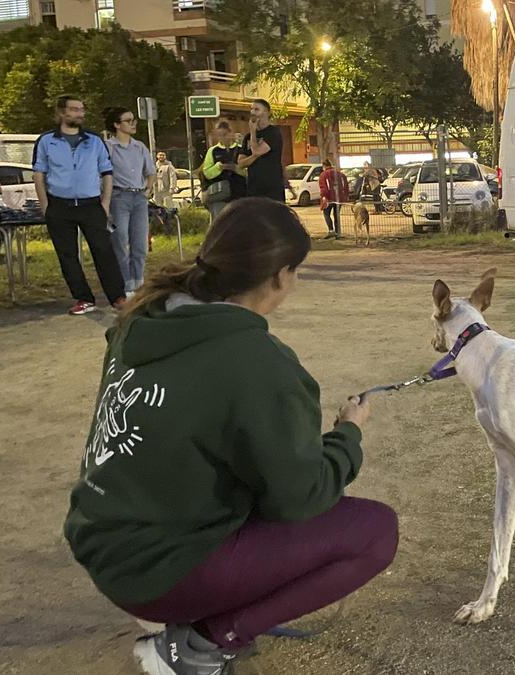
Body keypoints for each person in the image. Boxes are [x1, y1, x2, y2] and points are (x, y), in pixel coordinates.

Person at [63, 197, 398, 675]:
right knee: (374, 533)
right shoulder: (258, 362)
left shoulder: (142, 317)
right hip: (158, 566)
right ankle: (202, 644)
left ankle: (192, 606)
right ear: (282, 275)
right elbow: (300, 497)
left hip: (103, 540)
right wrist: (347, 434)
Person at [32, 95, 126, 316]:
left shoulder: (94, 140)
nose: (80, 114)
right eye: (74, 110)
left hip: (91, 204)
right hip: (59, 205)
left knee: (104, 250)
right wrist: (45, 205)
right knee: (67, 255)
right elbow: (39, 173)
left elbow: (107, 173)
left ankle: (117, 297)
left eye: (82, 110)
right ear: (62, 113)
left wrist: (105, 202)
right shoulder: (46, 141)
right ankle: (83, 298)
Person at [104, 107, 157, 296]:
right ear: (117, 125)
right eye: (128, 120)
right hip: (119, 197)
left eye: (133, 120)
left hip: (139, 197)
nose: (133, 123)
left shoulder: (140, 146)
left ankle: (138, 282)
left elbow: (151, 171)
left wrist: (147, 191)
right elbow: (102, 175)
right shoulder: (108, 147)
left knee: (140, 243)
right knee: (120, 240)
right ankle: (126, 285)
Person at [236, 99, 285, 201]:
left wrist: (253, 132)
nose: (253, 112)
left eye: (257, 109)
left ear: (267, 113)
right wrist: (254, 157)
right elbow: (241, 163)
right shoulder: (247, 137)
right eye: (251, 109)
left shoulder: (274, 133)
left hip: (272, 189)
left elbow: (257, 151)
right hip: (253, 189)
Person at [197, 121, 247, 221]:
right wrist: (219, 167)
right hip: (219, 195)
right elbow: (207, 173)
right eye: (219, 135)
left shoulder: (241, 149)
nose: (222, 138)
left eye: (224, 135)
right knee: (219, 224)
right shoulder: (213, 151)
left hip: (240, 194)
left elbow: (248, 172)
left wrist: (236, 169)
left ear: (231, 133)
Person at [318, 158, 349, 239]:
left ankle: (331, 230)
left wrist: (324, 197)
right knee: (336, 215)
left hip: (329, 198)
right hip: (339, 198)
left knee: (326, 214)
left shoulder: (323, 175)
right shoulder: (340, 174)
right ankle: (338, 233)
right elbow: (345, 185)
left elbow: (323, 187)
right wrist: (345, 195)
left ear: (324, 166)